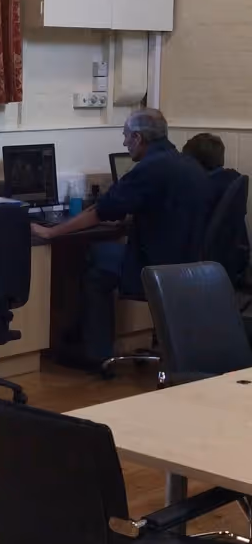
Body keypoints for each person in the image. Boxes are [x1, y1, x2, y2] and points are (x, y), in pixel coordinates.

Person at [33, 109, 211, 372]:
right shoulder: (189, 165)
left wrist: (51, 232)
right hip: (188, 266)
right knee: (104, 254)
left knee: (94, 259)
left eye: (126, 137)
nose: (125, 143)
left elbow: (100, 211)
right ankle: (88, 341)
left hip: (154, 267)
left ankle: (95, 353)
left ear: (138, 138)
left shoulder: (150, 168)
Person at [182, 132, 250, 285]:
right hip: (232, 257)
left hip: (205, 261)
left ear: (194, 162)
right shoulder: (233, 178)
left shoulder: (202, 188)